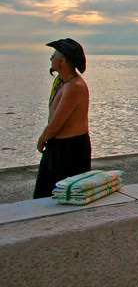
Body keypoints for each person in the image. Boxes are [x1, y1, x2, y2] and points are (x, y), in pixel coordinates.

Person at [33, 38, 91, 199]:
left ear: (63, 61)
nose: (51, 59)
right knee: (42, 198)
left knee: (65, 199)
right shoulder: (63, 83)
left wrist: (42, 139)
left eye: (54, 56)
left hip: (69, 151)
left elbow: (56, 123)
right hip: (56, 148)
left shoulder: (74, 87)